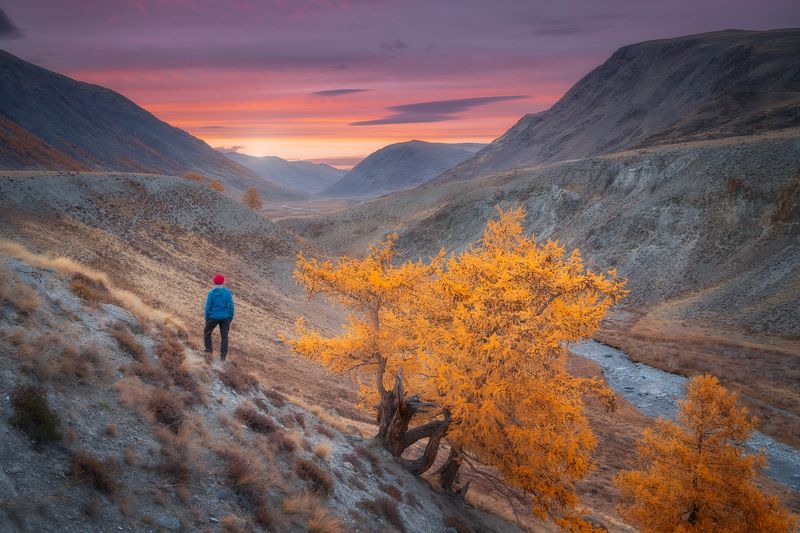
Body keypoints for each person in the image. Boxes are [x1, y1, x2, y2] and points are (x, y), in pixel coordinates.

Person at [204, 274, 234, 361]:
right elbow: (231, 306)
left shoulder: (211, 293)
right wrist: (230, 317)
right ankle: (222, 358)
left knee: (207, 332)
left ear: (214, 282)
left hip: (213, 317)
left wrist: (207, 319)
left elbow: (208, 307)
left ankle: (209, 352)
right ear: (223, 282)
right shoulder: (227, 292)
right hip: (225, 317)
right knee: (224, 336)